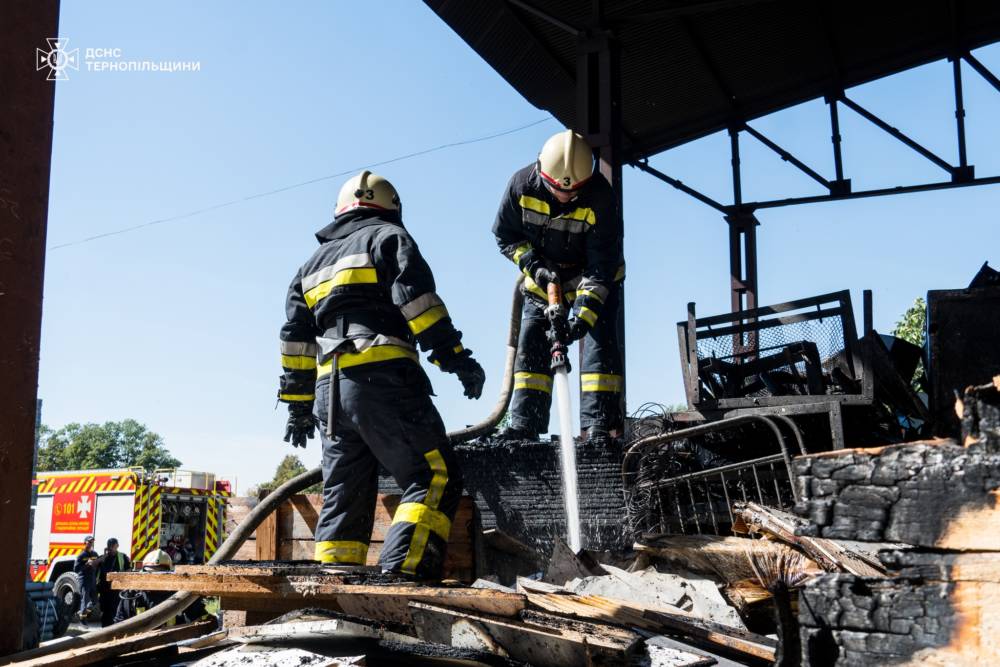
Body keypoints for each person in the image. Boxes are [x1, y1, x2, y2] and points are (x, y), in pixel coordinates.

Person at [278, 170, 485, 580]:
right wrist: (455, 357)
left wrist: (298, 408)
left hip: (329, 394)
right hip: (382, 379)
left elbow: (294, 341)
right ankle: (400, 578)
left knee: (345, 493)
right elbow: (418, 304)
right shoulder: (388, 239)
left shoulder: (309, 265)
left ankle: (336, 590)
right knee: (434, 474)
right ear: (392, 209)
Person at [492, 129, 625, 445]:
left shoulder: (602, 198)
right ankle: (524, 426)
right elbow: (505, 236)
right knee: (532, 352)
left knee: (598, 354)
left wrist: (580, 318)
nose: (565, 196)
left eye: (573, 192)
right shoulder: (520, 186)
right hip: (543, 282)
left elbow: (601, 267)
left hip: (593, 281)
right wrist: (535, 267)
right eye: (558, 190)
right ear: (541, 173)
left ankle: (598, 428)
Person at [97, 537, 131, 627]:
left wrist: (120, 575)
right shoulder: (103, 557)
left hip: (117, 589)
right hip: (104, 589)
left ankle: (114, 628)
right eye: (110, 546)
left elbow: (128, 569)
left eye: (113, 546)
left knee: (115, 609)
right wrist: (103, 556)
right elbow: (93, 565)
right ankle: (104, 629)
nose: (111, 548)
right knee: (105, 611)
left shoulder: (122, 556)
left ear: (117, 546)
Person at [73, 535, 101, 620]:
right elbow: (76, 569)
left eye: (92, 542)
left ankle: (83, 612)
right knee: (84, 600)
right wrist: (86, 564)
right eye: (89, 542)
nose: (90, 543)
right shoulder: (81, 555)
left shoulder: (94, 554)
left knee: (95, 600)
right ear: (84, 543)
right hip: (84, 580)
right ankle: (83, 619)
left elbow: (99, 565)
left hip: (92, 580)